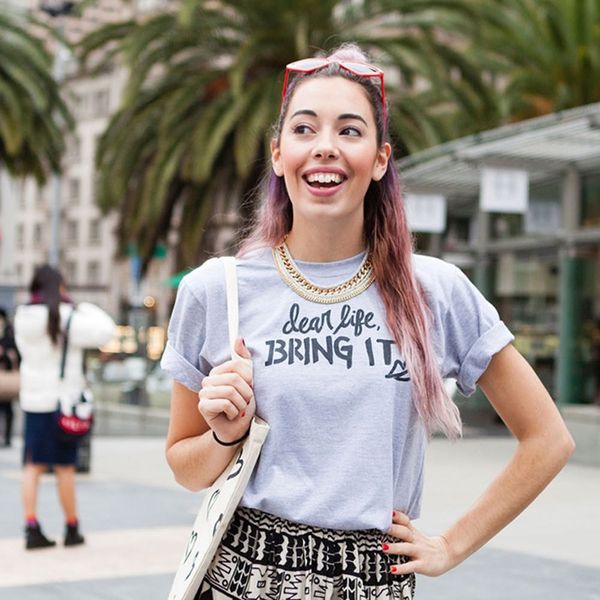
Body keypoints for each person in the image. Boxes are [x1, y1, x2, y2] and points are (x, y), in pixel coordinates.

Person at [161, 43, 575, 599]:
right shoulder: (218, 289)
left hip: (373, 584)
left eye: (349, 131)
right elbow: (185, 467)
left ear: (380, 160)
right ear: (278, 154)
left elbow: (548, 438)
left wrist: (451, 546)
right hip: (242, 580)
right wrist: (224, 436)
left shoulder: (434, 291)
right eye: (304, 129)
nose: (325, 147)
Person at [14, 265, 115, 550]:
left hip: (34, 403)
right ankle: (72, 528)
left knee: (32, 467)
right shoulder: (68, 316)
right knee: (65, 468)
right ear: (59, 287)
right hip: (62, 405)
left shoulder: (22, 317)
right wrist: (82, 305)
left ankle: (31, 527)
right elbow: (106, 331)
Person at [0, 307, 20, 447]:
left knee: (8, 410)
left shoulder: (9, 332)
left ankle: (7, 437)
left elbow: (16, 352)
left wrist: (7, 353)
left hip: (6, 377)